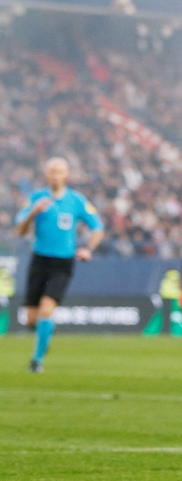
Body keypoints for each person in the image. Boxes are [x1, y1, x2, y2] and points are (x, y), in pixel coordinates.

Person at [14, 157, 104, 373]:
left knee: (46, 310)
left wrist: (88, 249)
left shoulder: (77, 200)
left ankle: (37, 361)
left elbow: (98, 228)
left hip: (62, 263)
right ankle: (45, 335)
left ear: (66, 175)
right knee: (31, 319)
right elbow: (20, 230)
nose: (55, 175)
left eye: (59, 171)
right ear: (47, 175)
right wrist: (34, 213)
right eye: (52, 171)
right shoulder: (36, 198)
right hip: (40, 260)